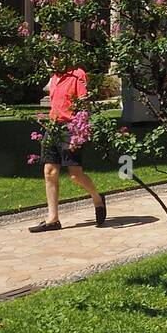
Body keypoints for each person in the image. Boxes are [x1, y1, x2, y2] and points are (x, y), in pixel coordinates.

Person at [29, 58, 107, 233]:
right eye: (52, 56)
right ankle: (53, 219)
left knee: (75, 175)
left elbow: (84, 103)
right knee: (49, 172)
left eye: (57, 55)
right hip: (53, 127)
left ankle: (97, 198)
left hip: (70, 128)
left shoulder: (77, 74)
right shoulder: (54, 77)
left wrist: (80, 131)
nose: (53, 59)